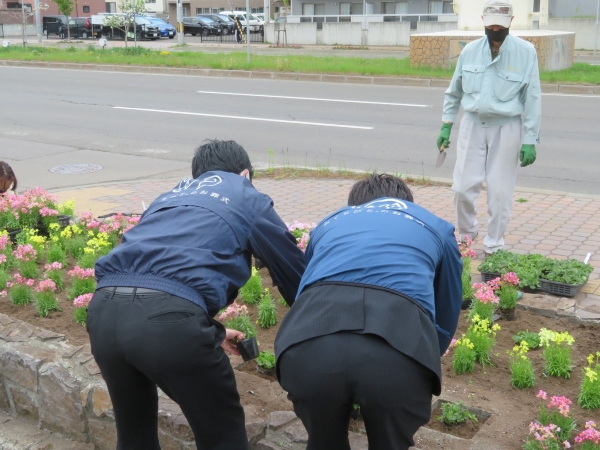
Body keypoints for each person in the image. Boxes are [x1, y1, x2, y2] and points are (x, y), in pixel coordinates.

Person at [87, 140, 306, 450]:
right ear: (245, 174)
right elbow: (295, 275)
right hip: (169, 324)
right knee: (222, 436)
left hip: (104, 313)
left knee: (134, 435)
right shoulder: (246, 195)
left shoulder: (169, 197)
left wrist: (209, 332)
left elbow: (150, 277)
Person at [275, 173, 463, 450]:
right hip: (399, 353)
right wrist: (427, 352)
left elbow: (307, 285)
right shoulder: (436, 227)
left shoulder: (330, 222)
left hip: (307, 347)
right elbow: (447, 306)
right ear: (407, 203)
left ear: (354, 205)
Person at [437, 0, 541, 256]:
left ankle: (494, 243)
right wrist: (446, 126)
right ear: (483, 21)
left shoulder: (526, 52)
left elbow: (533, 98)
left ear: (510, 23)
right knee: (462, 187)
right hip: (472, 125)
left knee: (499, 191)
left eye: (501, 25)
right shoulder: (469, 51)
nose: (496, 29)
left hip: (506, 128)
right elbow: (454, 92)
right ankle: (467, 233)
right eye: (492, 24)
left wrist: (530, 139)